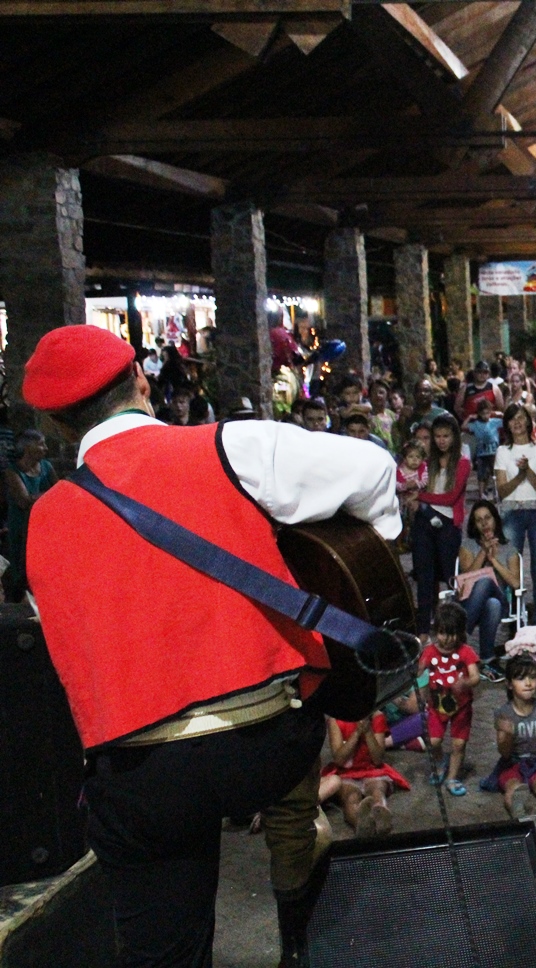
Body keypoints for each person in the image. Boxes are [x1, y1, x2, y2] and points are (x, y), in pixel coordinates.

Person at [24, 325, 399, 967]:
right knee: (294, 786)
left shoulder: (42, 520)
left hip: (145, 775)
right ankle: (302, 933)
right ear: (141, 381)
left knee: (163, 940)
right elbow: (373, 469)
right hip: (265, 742)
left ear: (60, 426)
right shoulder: (232, 445)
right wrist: (350, 548)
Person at [480, 655, 536, 819]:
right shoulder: (503, 713)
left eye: (532, 677)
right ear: (509, 684)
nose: (528, 683)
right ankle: (516, 806)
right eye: (521, 678)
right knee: (512, 784)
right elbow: (504, 753)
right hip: (512, 762)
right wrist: (507, 736)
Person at [494, 404, 536, 621]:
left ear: (529, 422)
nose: (517, 423)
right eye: (512, 419)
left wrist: (528, 470)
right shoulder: (502, 452)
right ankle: (509, 616)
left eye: (521, 418)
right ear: (507, 424)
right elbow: (502, 491)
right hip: (512, 509)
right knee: (509, 565)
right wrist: (520, 476)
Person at [414, 415, 471, 633]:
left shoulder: (463, 463)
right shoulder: (427, 463)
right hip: (424, 521)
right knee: (424, 577)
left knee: (449, 577)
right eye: (437, 436)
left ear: (455, 437)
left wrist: (420, 497)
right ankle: (423, 631)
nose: (441, 441)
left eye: (446, 436)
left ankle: (453, 627)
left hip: (448, 523)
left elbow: (450, 497)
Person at [420, 602, 480, 797]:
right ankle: (439, 763)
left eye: (453, 633)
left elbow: (475, 676)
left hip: (461, 708)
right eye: (443, 633)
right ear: (436, 631)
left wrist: (465, 683)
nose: (447, 639)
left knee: (458, 745)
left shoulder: (466, 652)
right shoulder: (429, 652)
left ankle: (452, 777)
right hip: (436, 707)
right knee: (434, 741)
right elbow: (419, 672)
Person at [318, 713, 410, 838]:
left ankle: (382, 819)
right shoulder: (336, 720)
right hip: (347, 772)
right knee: (351, 797)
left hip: (372, 770)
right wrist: (356, 733)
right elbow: (339, 759)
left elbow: (378, 759)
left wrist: (367, 732)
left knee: (377, 792)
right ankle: (361, 825)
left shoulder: (378, 717)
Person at [456, 499, 520, 679]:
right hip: (469, 600)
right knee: (491, 604)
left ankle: (458, 635)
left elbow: (515, 584)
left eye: (487, 518)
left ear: (495, 520)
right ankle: (487, 659)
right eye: (479, 520)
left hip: (501, 596)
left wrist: (493, 561)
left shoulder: (509, 549)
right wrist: (483, 552)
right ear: (474, 525)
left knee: (486, 583)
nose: (484, 523)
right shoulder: (468, 545)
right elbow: (466, 576)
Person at [3, 429, 57, 600]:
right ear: (27, 447)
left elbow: (60, 490)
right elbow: (23, 501)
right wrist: (49, 493)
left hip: (42, 523)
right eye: (41, 444)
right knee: (21, 563)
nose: (46, 448)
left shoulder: (46, 467)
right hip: (21, 524)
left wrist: (41, 495)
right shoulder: (12, 471)